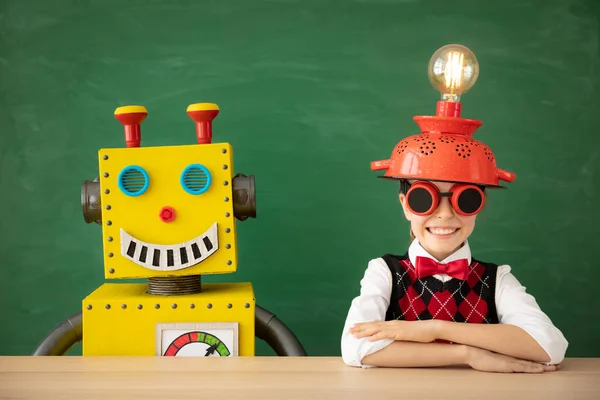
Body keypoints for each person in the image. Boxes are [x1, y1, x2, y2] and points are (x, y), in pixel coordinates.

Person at [341, 45, 568, 373]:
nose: (445, 214)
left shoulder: (497, 280)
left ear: (480, 205)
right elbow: (356, 347)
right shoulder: (384, 273)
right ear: (405, 204)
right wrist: (467, 354)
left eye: (464, 199)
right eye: (425, 198)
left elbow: (550, 346)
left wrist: (434, 329)